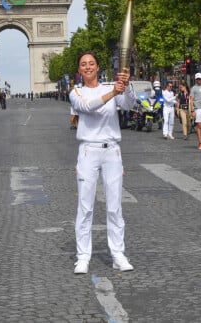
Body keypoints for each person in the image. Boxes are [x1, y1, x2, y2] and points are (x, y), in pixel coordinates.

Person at [69, 51, 136, 275]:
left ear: (98, 67)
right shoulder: (75, 92)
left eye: (91, 63)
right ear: (79, 70)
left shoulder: (111, 86)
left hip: (112, 151)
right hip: (88, 151)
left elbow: (128, 104)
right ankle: (83, 257)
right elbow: (87, 107)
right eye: (83, 65)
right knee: (85, 207)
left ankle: (118, 254)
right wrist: (112, 92)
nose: (88, 67)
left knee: (115, 206)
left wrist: (126, 85)